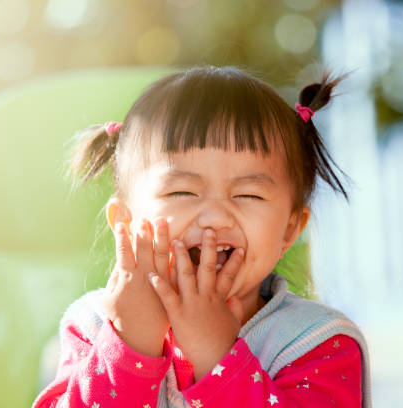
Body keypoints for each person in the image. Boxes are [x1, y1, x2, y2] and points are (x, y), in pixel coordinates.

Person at [32, 66, 371, 408]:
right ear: (126, 220)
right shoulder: (92, 327)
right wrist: (129, 346)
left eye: (249, 195)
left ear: (289, 230)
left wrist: (219, 359)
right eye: (182, 191)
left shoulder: (314, 344)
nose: (215, 217)